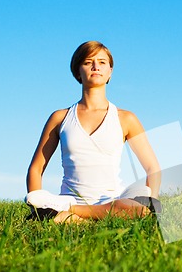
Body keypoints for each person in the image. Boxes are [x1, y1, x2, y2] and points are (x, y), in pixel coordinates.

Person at [25, 41, 161, 223]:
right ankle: (85, 216)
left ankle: (73, 216)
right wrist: (38, 204)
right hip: (68, 199)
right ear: (77, 72)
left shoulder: (126, 118)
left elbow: (152, 168)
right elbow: (36, 167)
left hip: (114, 200)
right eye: (88, 62)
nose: (96, 66)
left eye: (102, 62)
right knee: (44, 210)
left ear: (110, 72)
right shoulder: (60, 118)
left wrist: (153, 201)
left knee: (140, 210)